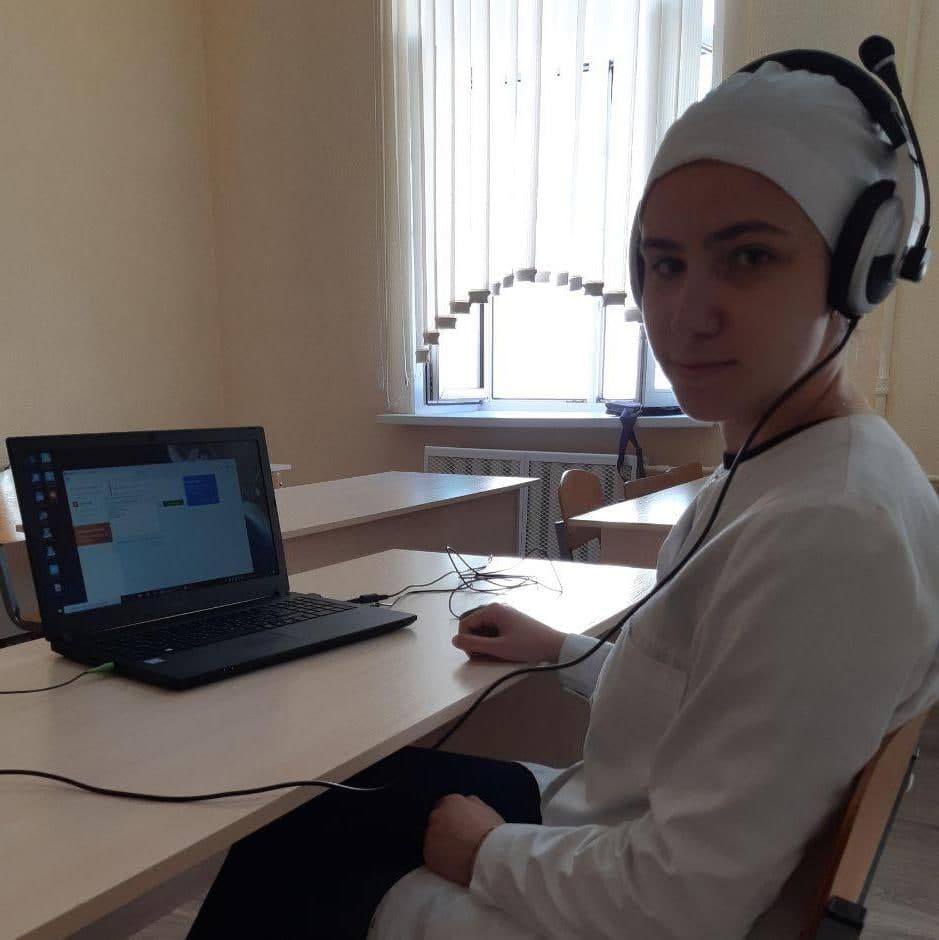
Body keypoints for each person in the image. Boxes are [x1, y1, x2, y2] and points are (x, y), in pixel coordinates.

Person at [188, 46, 939, 940]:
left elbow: (683, 904)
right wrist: (564, 651)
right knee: (313, 804)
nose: (683, 313)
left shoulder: (831, 532)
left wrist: (485, 853)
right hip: (610, 829)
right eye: (664, 263)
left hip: (626, 900)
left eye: (747, 256)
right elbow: (703, 700)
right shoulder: (787, 466)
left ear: (859, 272)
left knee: (283, 872)